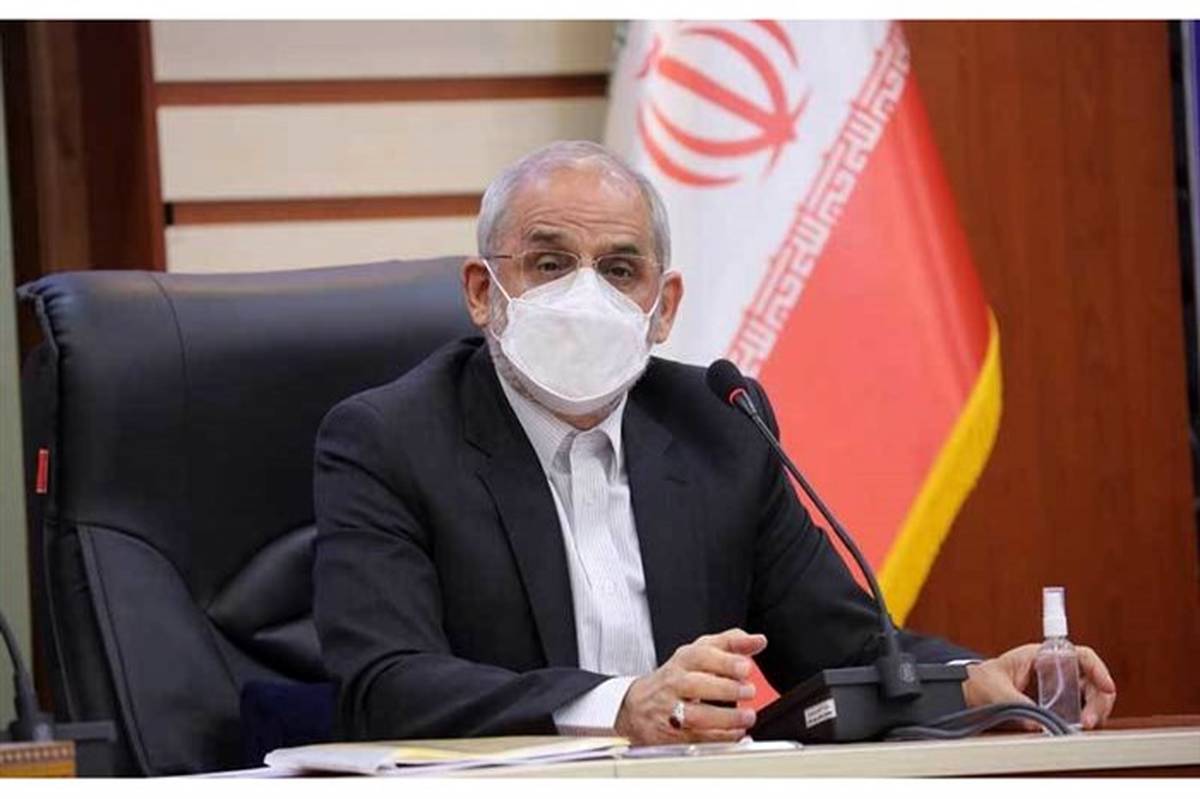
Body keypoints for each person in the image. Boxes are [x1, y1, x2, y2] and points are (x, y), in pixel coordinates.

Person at [312, 140, 1116, 745]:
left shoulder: (719, 425)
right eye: (550, 263)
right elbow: (385, 686)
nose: (584, 295)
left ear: (663, 308)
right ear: (483, 292)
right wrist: (619, 706)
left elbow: (843, 649)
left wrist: (978, 683)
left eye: (619, 270)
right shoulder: (387, 440)